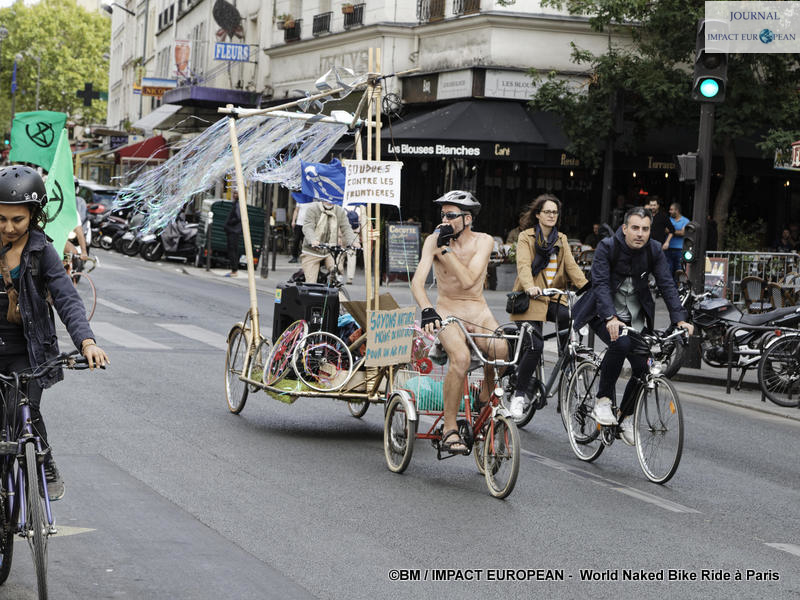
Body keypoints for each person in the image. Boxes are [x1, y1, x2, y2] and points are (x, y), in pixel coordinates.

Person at [0, 165, 109, 499]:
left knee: (23, 411)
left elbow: (67, 299)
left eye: (17, 220)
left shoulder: (43, 252)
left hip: (29, 353)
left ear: (34, 215)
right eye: (1, 219)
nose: (8, 227)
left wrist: (87, 342)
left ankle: (43, 462)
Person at [572, 206, 692, 445]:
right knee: (621, 343)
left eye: (645, 229)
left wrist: (680, 319)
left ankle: (625, 416)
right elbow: (601, 284)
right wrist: (610, 317)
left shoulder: (654, 250)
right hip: (602, 312)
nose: (640, 234)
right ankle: (603, 400)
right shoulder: (607, 247)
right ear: (625, 228)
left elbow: (667, 284)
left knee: (643, 368)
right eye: (635, 228)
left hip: (635, 317)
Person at [411, 191, 508, 455]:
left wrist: (445, 249)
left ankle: (485, 398)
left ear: (467, 219)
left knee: (501, 350)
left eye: (451, 215)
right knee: (461, 359)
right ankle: (450, 427)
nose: (444, 220)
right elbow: (417, 282)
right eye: (443, 215)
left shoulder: (484, 241)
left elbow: (468, 280)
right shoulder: (433, 240)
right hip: (448, 311)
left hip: (478, 311)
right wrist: (427, 309)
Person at [508, 194, 588, 418]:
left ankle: (569, 365)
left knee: (569, 320)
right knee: (535, 346)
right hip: (530, 298)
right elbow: (524, 266)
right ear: (538, 215)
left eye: (555, 212)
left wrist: (588, 288)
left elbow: (572, 268)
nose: (552, 215)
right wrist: (529, 286)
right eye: (547, 212)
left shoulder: (561, 239)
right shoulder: (526, 237)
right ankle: (519, 395)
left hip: (554, 298)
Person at [301, 200, 358, 284]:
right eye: (326, 199)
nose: (329, 201)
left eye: (332, 199)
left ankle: (332, 285)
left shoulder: (339, 211)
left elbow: (346, 228)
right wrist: (312, 240)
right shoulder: (313, 209)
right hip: (312, 251)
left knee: (338, 270)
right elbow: (308, 227)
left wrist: (353, 241)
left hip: (330, 251)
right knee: (311, 282)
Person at [666, 202, 689, 281]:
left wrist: (671, 231)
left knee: (679, 271)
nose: (669, 211)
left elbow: (683, 233)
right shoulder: (668, 219)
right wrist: (677, 231)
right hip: (668, 248)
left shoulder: (685, 220)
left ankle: (677, 288)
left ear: (677, 210)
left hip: (680, 249)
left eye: (671, 210)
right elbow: (665, 230)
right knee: (668, 270)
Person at [223, 195, 242, 278]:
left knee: (232, 250)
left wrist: (229, 223)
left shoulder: (238, 204)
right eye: (234, 193)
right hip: (233, 230)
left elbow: (238, 217)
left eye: (236, 193)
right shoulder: (236, 204)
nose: (234, 195)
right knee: (233, 250)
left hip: (234, 231)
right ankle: (234, 270)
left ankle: (234, 270)